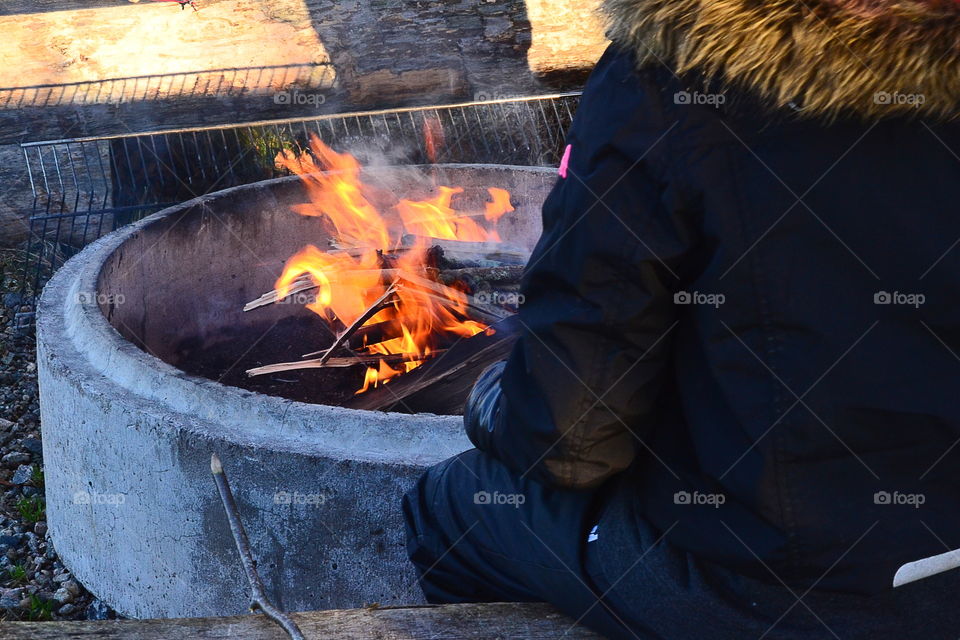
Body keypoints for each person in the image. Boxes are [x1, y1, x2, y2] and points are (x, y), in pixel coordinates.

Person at [403, 0, 960, 637]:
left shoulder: (677, 69)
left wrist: (494, 402)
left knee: (451, 503)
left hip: (779, 591)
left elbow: (573, 441)